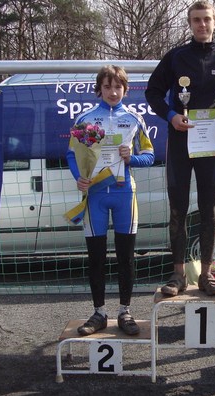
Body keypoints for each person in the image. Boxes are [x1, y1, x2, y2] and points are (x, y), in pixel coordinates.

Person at [145, 0, 215, 297]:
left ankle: (206, 274)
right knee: (178, 208)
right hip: (179, 141)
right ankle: (178, 275)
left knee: (209, 208)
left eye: (207, 19)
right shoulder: (176, 57)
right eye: (197, 19)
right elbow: (152, 92)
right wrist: (171, 116)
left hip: (208, 144)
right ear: (190, 23)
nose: (202, 24)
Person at [67, 65, 154, 336]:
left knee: (125, 257)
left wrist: (132, 158)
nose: (113, 92)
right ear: (99, 89)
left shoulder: (134, 119)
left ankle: (125, 311)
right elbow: (71, 154)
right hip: (95, 195)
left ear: (126, 90)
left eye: (118, 87)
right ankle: (99, 313)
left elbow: (150, 155)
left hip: (124, 194)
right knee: (96, 257)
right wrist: (79, 178)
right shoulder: (86, 119)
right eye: (107, 87)